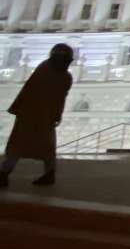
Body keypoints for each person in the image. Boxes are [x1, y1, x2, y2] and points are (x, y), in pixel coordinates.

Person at [0, 43, 74, 189]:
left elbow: (29, 89)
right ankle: (48, 173)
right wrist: (57, 115)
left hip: (31, 115)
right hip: (41, 116)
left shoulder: (45, 68)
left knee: (18, 145)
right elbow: (59, 98)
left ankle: (4, 173)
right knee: (45, 146)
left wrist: (18, 107)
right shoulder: (64, 76)